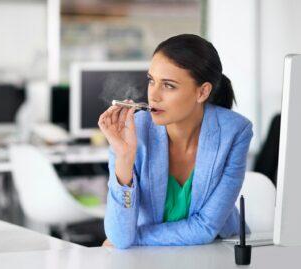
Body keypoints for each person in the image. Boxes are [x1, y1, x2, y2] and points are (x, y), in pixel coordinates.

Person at [98, 34, 253, 249]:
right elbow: (120, 237)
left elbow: (205, 229)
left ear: (202, 91)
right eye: (152, 80)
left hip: (216, 251)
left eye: (169, 86)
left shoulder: (235, 132)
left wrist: (136, 238)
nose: (153, 95)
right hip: (150, 259)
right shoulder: (132, 131)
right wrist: (124, 158)